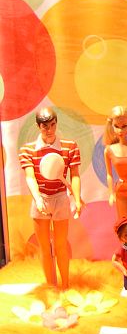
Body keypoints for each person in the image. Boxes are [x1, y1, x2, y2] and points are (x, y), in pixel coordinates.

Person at [18, 107, 83, 289]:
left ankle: (65, 285)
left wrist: (77, 199)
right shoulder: (28, 150)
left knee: (61, 245)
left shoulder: (69, 147)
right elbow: (30, 177)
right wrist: (38, 198)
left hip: (61, 198)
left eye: (53, 124)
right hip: (41, 199)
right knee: (45, 247)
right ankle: (51, 286)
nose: (49, 129)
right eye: (45, 126)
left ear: (56, 123)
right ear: (38, 126)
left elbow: (75, 175)